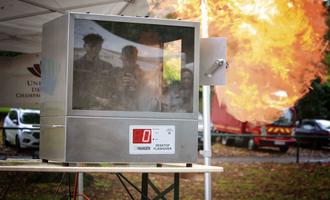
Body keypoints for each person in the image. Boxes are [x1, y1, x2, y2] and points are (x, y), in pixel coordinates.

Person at [73, 33, 114, 110]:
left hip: (102, 109)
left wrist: (109, 99)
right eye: (92, 46)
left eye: (97, 46)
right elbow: (74, 90)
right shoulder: (75, 65)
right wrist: (97, 99)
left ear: (100, 47)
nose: (94, 49)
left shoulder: (108, 66)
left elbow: (112, 87)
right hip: (81, 108)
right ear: (85, 47)